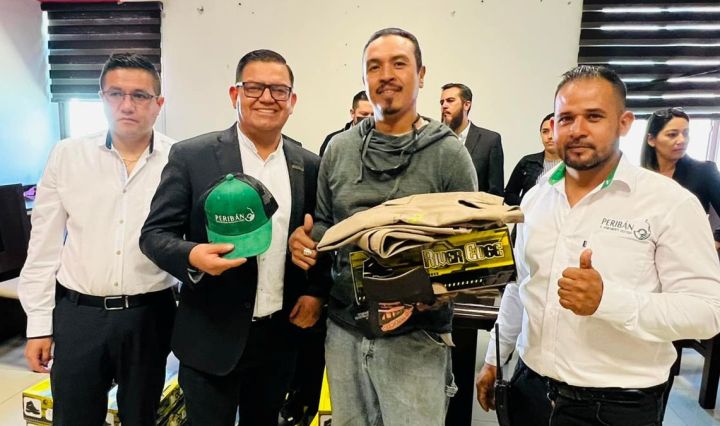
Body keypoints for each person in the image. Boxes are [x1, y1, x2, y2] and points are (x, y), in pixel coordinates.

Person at [475, 65, 720, 426]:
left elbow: (707, 313)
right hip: (530, 390)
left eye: (593, 116)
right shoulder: (536, 198)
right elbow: (519, 286)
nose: (577, 130)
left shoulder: (669, 203)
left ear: (624, 123)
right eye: (566, 118)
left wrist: (607, 301)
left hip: (616, 406)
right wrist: (494, 359)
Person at [288, 28, 477, 424]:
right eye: (374, 67)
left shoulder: (448, 154)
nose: (386, 75)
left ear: (421, 75)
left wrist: (433, 291)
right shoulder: (339, 149)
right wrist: (305, 242)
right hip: (344, 332)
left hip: (417, 338)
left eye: (399, 64)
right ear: (364, 78)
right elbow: (324, 224)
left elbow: (471, 248)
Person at [139, 49, 325, 425]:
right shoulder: (193, 156)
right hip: (210, 337)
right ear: (234, 94)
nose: (267, 98)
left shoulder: (307, 164)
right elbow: (154, 234)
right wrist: (193, 256)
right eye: (254, 87)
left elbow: (319, 230)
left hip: (278, 337)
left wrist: (314, 292)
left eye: (278, 90)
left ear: (292, 101)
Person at [18, 53, 176, 426]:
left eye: (140, 95)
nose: (127, 105)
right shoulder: (67, 155)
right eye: (116, 93)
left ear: (158, 104)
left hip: (150, 315)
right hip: (80, 314)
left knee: (141, 416)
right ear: (101, 98)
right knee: (73, 416)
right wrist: (38, 325)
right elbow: (42, 248)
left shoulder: (179, 159)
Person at [640, 107, 720, 250]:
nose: (682, 140)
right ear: (651, 139)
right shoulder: (640, 176)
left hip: (687, 253)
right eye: (672, 135)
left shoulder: (704, 172)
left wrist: (715, 242)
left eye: (686, 134)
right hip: (646, 252)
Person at [440, 83, 504, 196]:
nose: (444, 105)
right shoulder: (435, 140)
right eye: (442, 102)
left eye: (450, 101)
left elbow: (495, 192)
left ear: (466, 105)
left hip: (475, 206)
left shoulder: (489, 141)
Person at [503, 112, 561, 206]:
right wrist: (528, 205)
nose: (550, 136)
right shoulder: (528, 162)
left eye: (555, 131)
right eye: (545, 131)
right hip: (528, 214)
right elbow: (509, 194)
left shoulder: (574, 166)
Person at [318, 90, 374, 157]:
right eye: (364, 114)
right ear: (352, 113)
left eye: (374, 114)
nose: (369, 118)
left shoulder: (383, 141)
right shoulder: (333, 141)